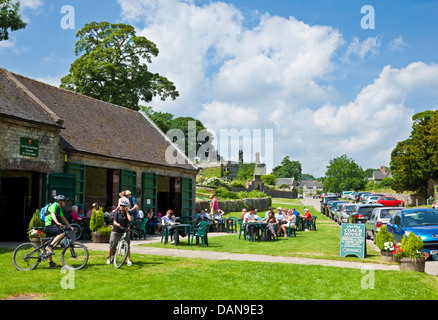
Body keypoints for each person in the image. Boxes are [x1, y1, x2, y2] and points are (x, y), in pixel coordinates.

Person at [44, 195, 74, 268]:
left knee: (49, 242)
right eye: (64, 201)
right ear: (60, 201)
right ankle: (50, 246)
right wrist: (57, 222)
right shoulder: (54, 205)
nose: (65, 203)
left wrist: (69, 226)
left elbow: (63, 218)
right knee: (62, 233)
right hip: (49, 225)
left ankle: (50, 263)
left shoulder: (59, 208)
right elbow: (52, 214)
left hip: (51, 226)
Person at [107, 198, 133, 266]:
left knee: (127, 246)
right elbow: (114, 221)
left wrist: (127, 212)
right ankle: (109, 258)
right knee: (112, 245)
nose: (121, 207)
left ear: (126, 207)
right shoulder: (117, 212)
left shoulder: (128, 213)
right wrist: (117, 224)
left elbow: (130, 219)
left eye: (123, 206)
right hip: (116, 230)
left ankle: (128, 260)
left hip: (124, 231)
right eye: (121, 205)